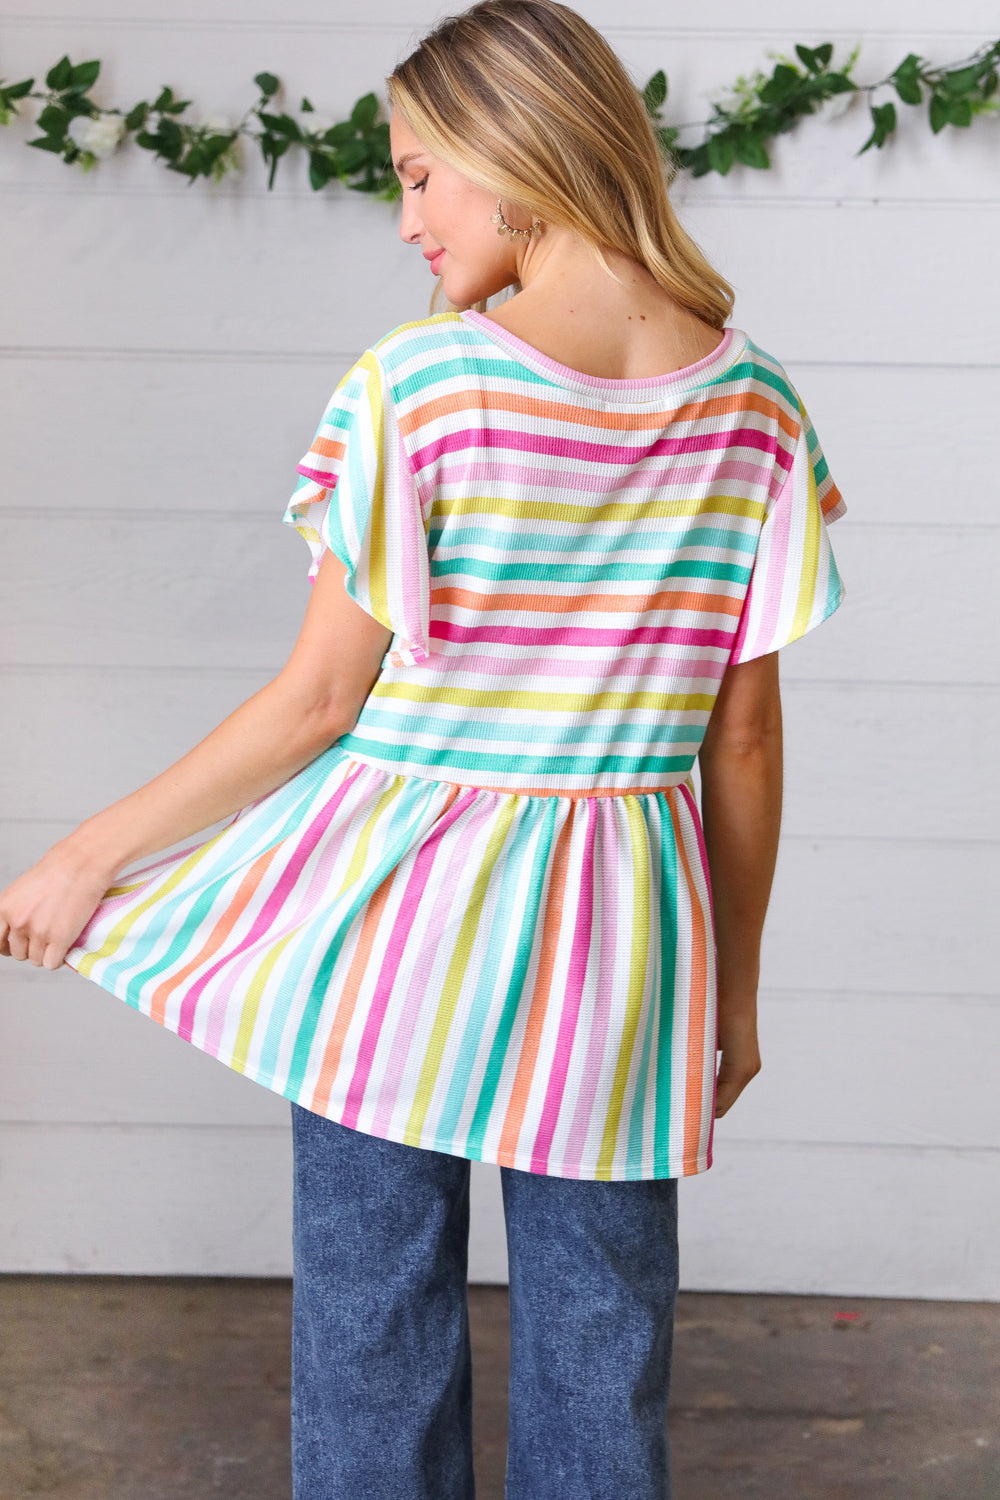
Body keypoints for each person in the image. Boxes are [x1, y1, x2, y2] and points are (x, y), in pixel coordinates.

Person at [0, 2, 846, 1495]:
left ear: (516, 158)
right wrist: (735, 986)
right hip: (624, 940)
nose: (406, 221)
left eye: (415, 175)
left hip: (392, 926)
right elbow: (748, 740)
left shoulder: (421, 386)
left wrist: (88, 853)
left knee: (371, 1325)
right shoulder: (759, 407)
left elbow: (319, 703)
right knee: (604, 1336)